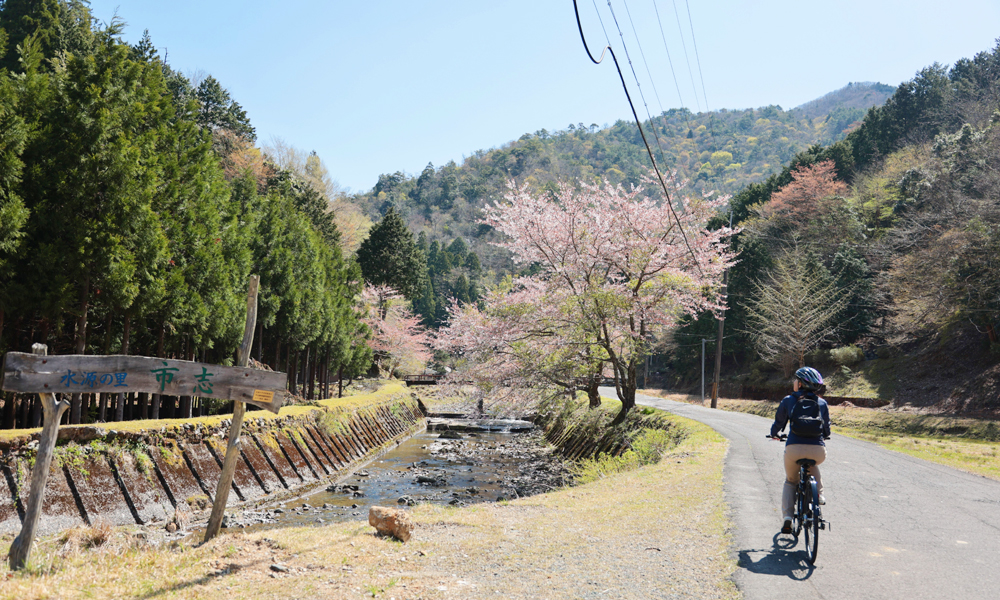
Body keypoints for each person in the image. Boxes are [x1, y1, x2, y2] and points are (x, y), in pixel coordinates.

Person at [769, 366, 831, 534]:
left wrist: (774, 434)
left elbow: (778, 424)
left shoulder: (789, 400)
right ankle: (819, 495)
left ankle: (788, 517)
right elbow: (827, 430)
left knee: (791, 480)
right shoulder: (822, 403)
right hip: (818, 450)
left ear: (801, 384)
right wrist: (823, 436)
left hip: (794, 448)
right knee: (813, 465)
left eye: (796, 380)